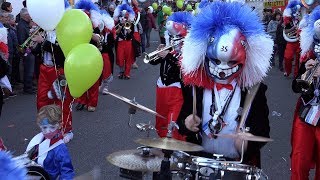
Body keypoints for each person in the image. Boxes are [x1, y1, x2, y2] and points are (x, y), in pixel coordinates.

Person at [177, 1, 272, 167]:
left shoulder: (255, 90)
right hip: (200, 161)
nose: (221, 69)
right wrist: (186, 122)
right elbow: (181, 121)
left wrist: (248, 143)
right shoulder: (195, 87)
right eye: (216, 61)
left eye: (230, 63)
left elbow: (263, 131)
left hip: (237, 165)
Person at [149, 12, 192, 140]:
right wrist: (158, 52)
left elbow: (184, 67)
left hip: (177, 89)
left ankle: (174, 148)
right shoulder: (170, 46)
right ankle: (163, 145)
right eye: (172, 36)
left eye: (176, 36)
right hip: (161, 87)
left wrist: (168, 55)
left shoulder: (189, 48)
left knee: (173, 121)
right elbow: (153, 62)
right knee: (160, 118)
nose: (173, 39)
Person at [291, 5, 320, 179]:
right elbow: (296, 87)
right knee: (299, 161)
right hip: (307, 115)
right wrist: (305, 75)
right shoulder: (311, 57)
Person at [26, 104, 75, 180]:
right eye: (44, 127)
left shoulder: (60, 149)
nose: (48, 131)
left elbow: (67, 171)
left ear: (59, 125)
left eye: (52, 127)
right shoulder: (40, 138)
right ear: (39, 126)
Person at [75, 0, 105, 112]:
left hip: (92, 57)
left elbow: (101, 42)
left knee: (93, 80)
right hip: (79, 56)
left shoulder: (96, 28)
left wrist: (93, 36)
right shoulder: (76, 29)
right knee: (80, 79)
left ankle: (92, 102)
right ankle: (81, 101)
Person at [114, 3, 135, 79]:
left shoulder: (131, 23)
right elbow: (115, 33)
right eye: (123, 16)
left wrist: (126, 26)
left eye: (126, 16)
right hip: (120, 42)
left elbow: (131, 33)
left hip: (128, 42)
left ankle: (127, 73)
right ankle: (121, 71)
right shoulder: (118, 23)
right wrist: (120, 27)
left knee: (128, 58)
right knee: (120, 58)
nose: (124, 18)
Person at [17, 8, 36, 94]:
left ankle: (29, 86)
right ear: (25, 15)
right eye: (29, 14)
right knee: (29, 70)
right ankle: (28, 88)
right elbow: (21, 40)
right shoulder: (22, 25)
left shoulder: (24, 24)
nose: (31, 16)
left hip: (28, 50)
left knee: (30, 70)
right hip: (26, 51)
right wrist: (26, 49)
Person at [283, 0, 303, 78]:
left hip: (299, 41)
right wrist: (293, 28)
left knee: (298, 58)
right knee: (288, 57)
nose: (297, 13)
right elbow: (285, 30)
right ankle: (287, 71)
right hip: (290, 42)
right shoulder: (288, 20)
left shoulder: (303, 19)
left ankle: (296, 74)